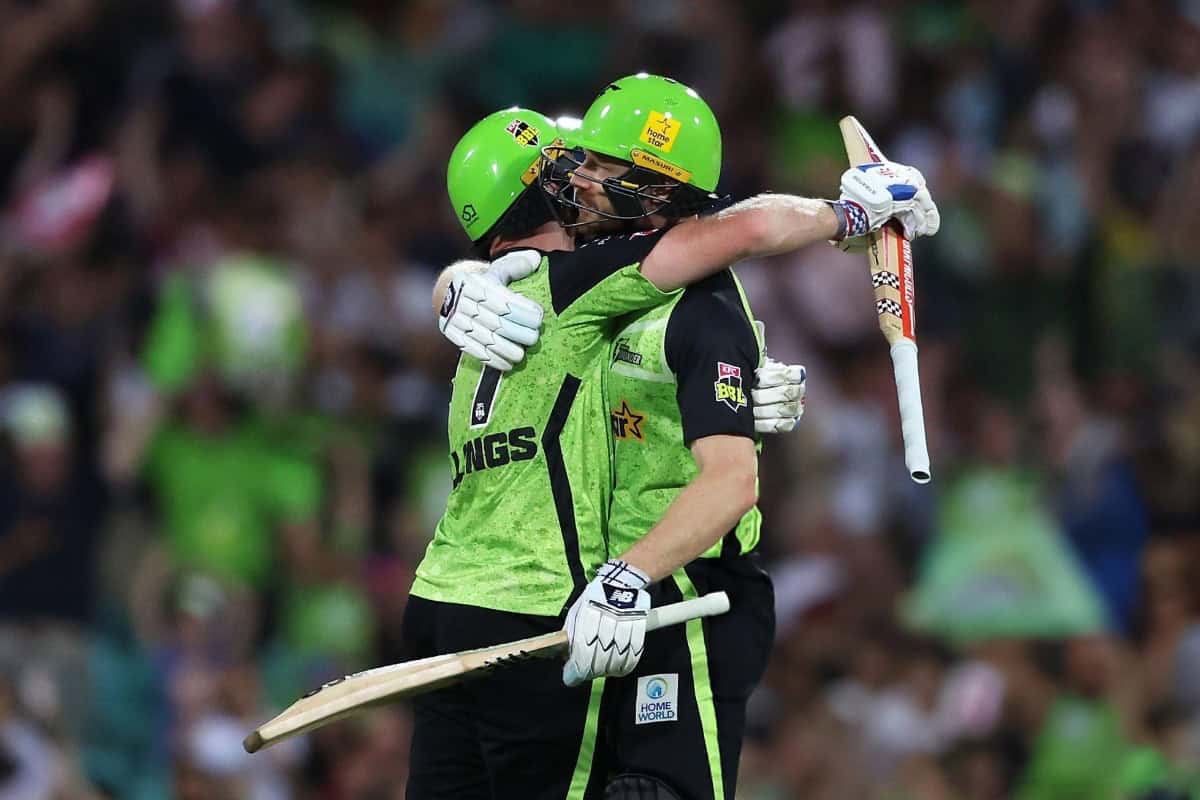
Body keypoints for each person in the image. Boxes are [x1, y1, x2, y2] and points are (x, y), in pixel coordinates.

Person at [418, 81, 937, 798]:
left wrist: (631, 574)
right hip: (598, 598)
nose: (581, 181)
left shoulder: (698, 301)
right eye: (577, 167)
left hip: (678, 590)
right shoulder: (578, 284)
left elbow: (730, 481)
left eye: (602, 169)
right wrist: (453, 283)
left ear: (659, 194)